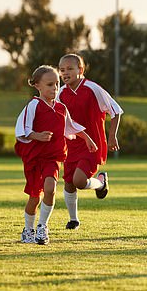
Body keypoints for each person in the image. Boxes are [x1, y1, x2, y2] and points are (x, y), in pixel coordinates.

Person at [15, 65, 97, 244]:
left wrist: (87, 138)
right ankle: (27, 229)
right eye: (50, 85)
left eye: (57, 84)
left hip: (52, 157)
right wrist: (37, 135)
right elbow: (22, 129)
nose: (55, 88)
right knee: (35, 197)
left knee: (51, 189)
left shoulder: (61, 108)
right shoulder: (33, 105)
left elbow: (71, 126)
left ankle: (42, 227)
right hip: (34, 159)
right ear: (37, 85)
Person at [57, 53, 123, 230]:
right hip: (70, 146)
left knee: (79, 181)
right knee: (69, 183)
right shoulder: (61, 93)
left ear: (81, 70)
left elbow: (115, 111)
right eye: (62, 70)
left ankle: (100, 183)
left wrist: (111, 136)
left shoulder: (93, 89)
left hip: (92, 145)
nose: (65, 73)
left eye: (70, 69)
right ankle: (73, 219)